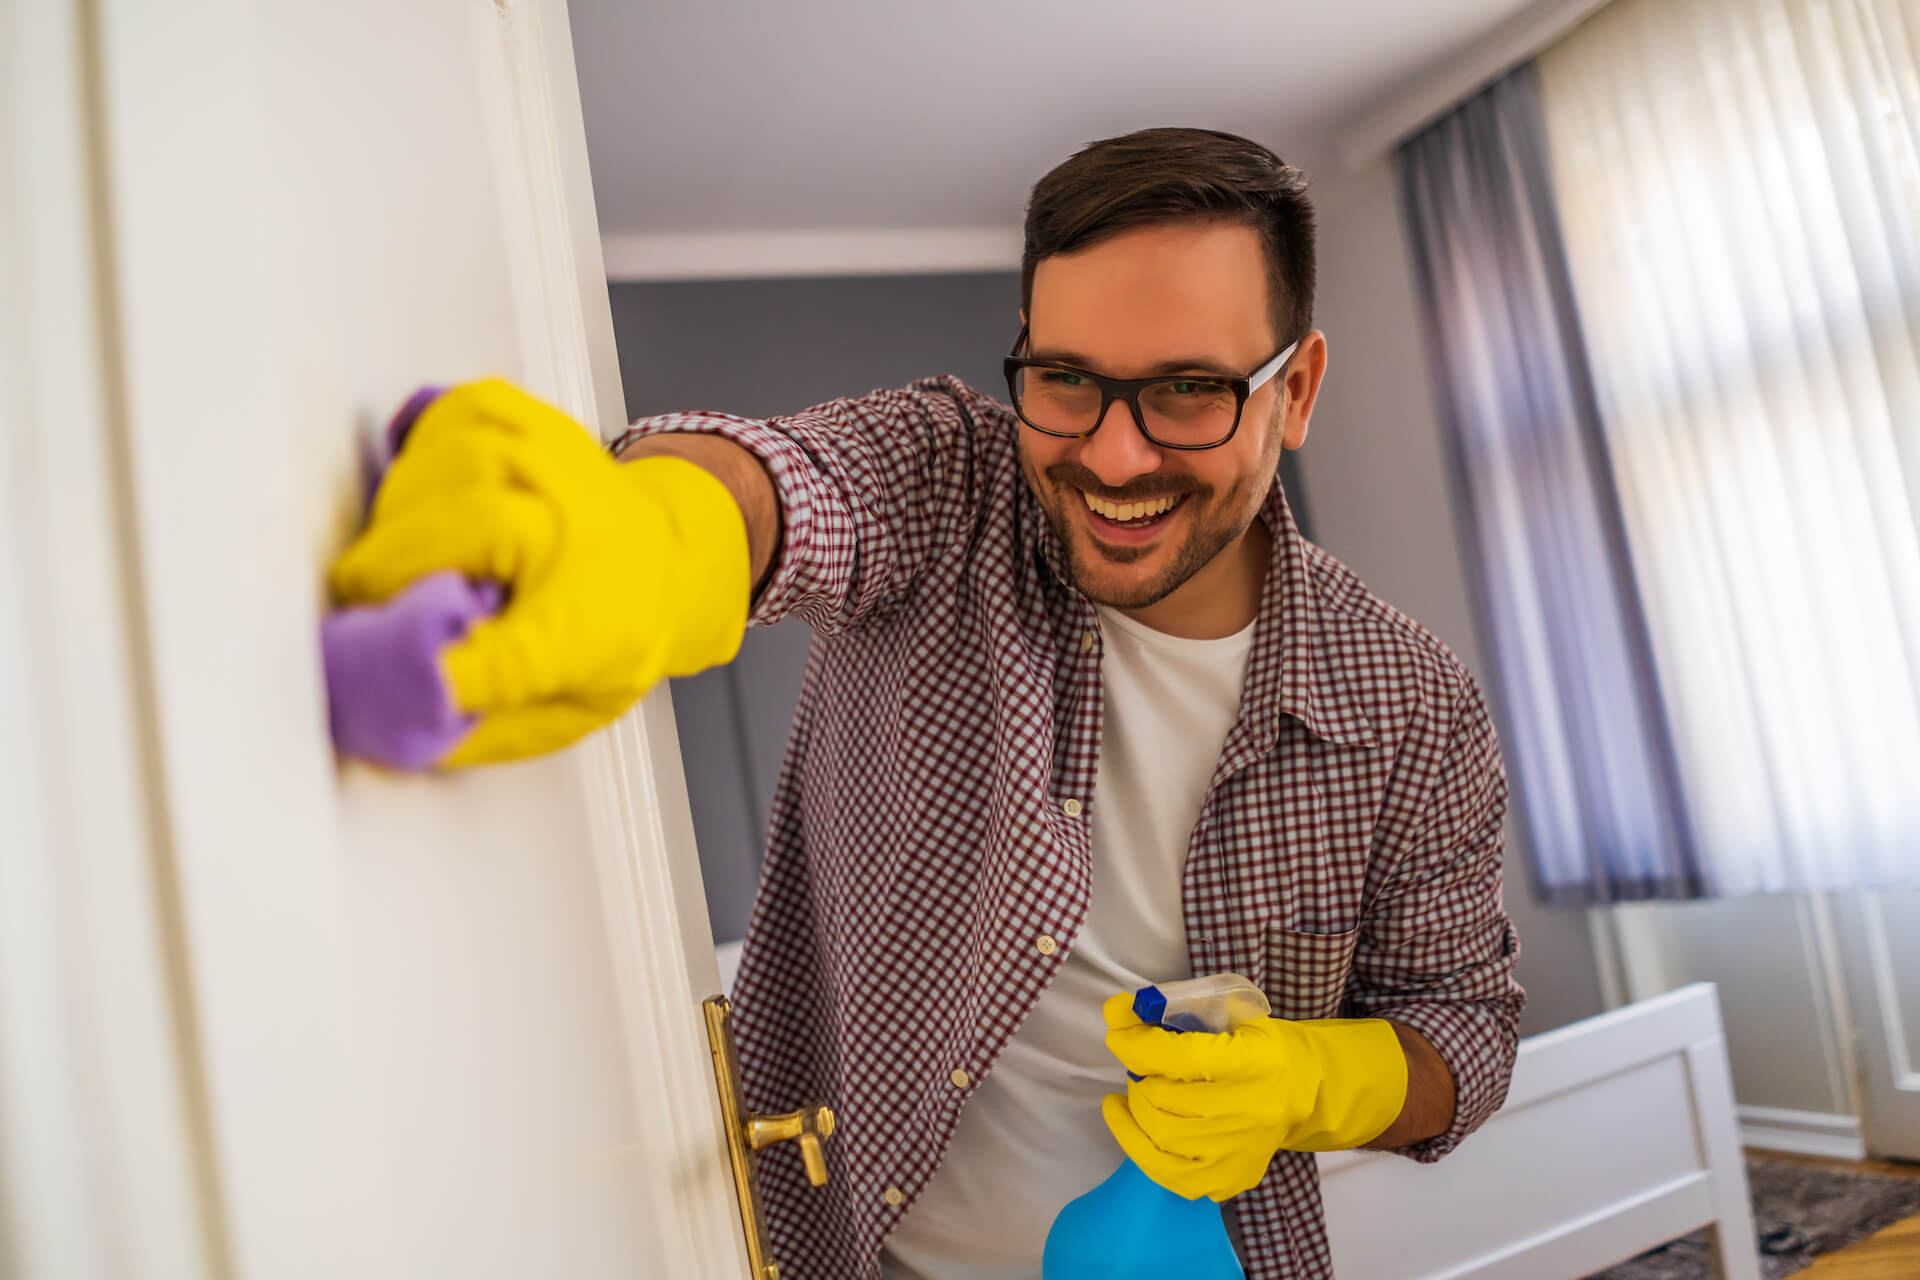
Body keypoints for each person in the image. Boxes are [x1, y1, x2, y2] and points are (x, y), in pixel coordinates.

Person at [330, 126, 1525, 1279]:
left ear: (1296, 388)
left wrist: (1310, 1079)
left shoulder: (1411, 706)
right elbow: (790, 487)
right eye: (1067, 381)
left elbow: (1466, 1034)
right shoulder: (951, 480)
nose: (1112, 457)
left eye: (1186, 392)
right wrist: (652, 537)